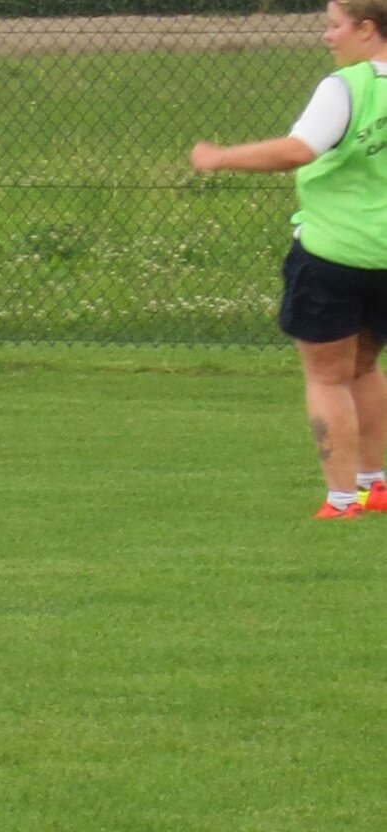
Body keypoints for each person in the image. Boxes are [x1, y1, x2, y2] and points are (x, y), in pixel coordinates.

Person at [191, 0, 387, 518]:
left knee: (328, 376)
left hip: (334, 254)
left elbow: (299, 150)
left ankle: (342, 500)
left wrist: (220, 157)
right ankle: (374, 486)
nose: (327, 35)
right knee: (365, 366)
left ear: (367, 29)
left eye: (335, 25)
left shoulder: (347, 87)